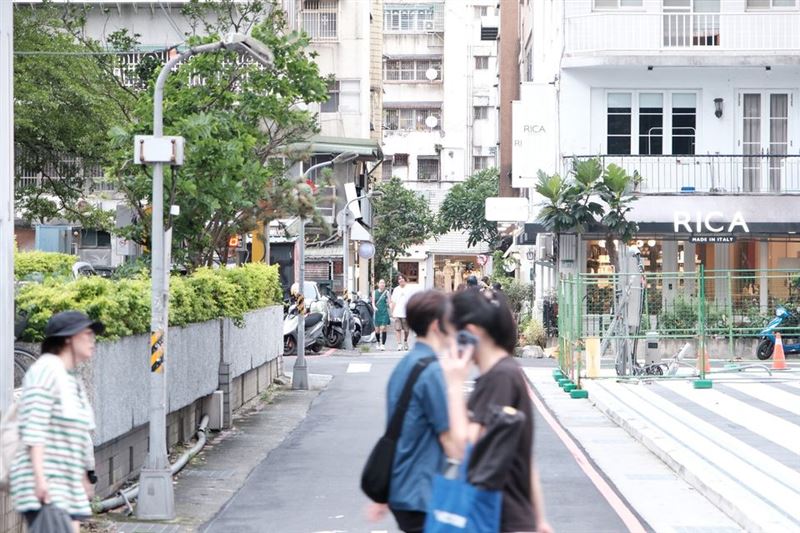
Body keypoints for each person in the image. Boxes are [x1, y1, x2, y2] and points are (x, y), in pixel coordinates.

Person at [440, 290, 552, 533]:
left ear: (470, 333)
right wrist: (538, 518)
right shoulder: (504, 372)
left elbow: (464, 445)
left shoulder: (499, 378)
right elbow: (524, 456)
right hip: (508, 516)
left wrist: (454, 385)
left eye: (450, 336)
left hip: (498, 518)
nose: (448, 346)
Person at [368, 290, 466, 532]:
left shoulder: (406, 365)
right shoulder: (432, 372)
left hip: (403, 486)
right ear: (436, 326)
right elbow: (452, 441)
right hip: (423, 491)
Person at [10, 311, 103, 533]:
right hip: (49, 487)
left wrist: (83, 477)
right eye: (87, 334)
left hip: (66, 488)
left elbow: (75, 436)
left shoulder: (70, 377)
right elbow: (35, 428)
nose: (92, 340)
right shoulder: (45, 371)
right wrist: (41, 480)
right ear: (68, 338)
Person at [390, 274, 412, 351]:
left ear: (405, 279)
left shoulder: (409, 289)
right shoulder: (396, 289)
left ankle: (405, 341)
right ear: (398, 281)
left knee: (406, 330)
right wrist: (392, 312)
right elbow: (393, 301)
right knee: (398, 329)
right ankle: (399, 344)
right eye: (399, 279)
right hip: (397, 312)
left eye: (402, 278)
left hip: (406, 313)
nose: (401, 280)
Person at [372, 279, 391, 351]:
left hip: (384, 312)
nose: (382, 284)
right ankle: (378, 343)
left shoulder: (387, 292)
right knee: (377, 330)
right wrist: (374, 307)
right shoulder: (374, 292)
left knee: (383, 328)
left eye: (383, 283)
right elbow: (373, 302)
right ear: (378, 284)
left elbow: (389, 302)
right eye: (381, 283)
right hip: (377, 312)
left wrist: (392, 308)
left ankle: (383, 345)